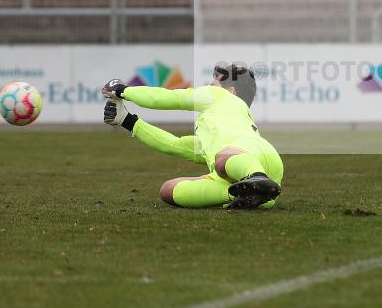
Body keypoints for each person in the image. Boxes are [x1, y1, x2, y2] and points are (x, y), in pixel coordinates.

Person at [102, 64, 283, 210]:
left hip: (249, 159)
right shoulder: (218, 128)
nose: (209, 87)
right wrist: (127, 121)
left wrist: (123, 91)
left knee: (222, 160)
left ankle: (258, 178)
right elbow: (173, 145)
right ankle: (251, 194)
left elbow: (165, 98)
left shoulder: (219, 96)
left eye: (214, 84)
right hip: (253, 167)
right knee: (169, 190)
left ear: (232, 91)